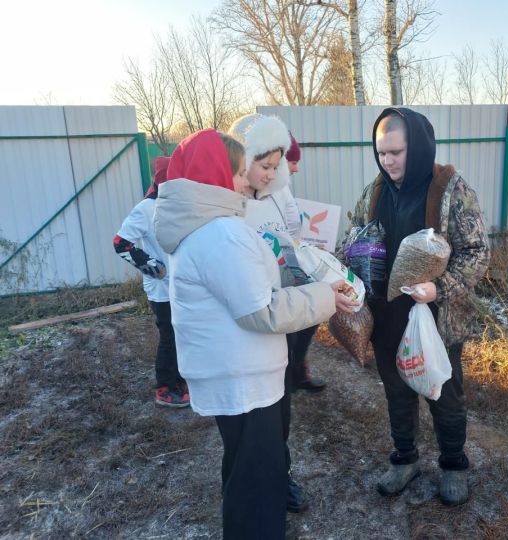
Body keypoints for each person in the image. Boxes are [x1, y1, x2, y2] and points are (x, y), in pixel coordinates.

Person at [153, 128, 355, 539]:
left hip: (234, 372)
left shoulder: (205, 227)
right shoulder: (220, 233)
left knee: (245, 474)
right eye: (241, 172)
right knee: (258, 487)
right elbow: (261, 311)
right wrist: (324, 296)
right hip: (244, 379)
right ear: (217, 172)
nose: (246, 182)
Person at [340, 108, 491, 506]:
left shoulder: (450, 189)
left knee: (444, 394)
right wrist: (337, 260)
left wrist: (439, 287)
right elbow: (353, 236)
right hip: (387, 317)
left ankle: (454, 465)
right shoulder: (375, 190)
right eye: (382, 152)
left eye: (396, 152)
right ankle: (404, 459)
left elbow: (477, 251)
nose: (388, 161)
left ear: (419, 147)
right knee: (397, 393)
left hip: (437, 321)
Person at [228, 114, 323, 515]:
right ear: (242, 158)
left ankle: (279, 476)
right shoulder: (225, 196)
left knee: (278, 408)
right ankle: (243, 483)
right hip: (243, 321)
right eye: (263, 165)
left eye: (276, 166)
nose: (270, 174)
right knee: (245, 419)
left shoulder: (279, 192)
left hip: (277, 313)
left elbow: (294, 238)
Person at [113, 156, 188, 408]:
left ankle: (180, 379)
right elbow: (121, 243)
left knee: (183, 334)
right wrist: (155, 268)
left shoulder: (179, 205)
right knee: (169, 336)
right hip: (162, 289)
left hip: (182, 287)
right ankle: (165, 388)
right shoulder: (145, 209)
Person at [285, 132, 326, 393]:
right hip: (283, 272)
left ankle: (298, 369)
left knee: (310, 317)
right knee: (291, 325)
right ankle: (290, 374)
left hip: (296, 265)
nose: (297, 167)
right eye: (292, 161)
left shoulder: (283, 190)